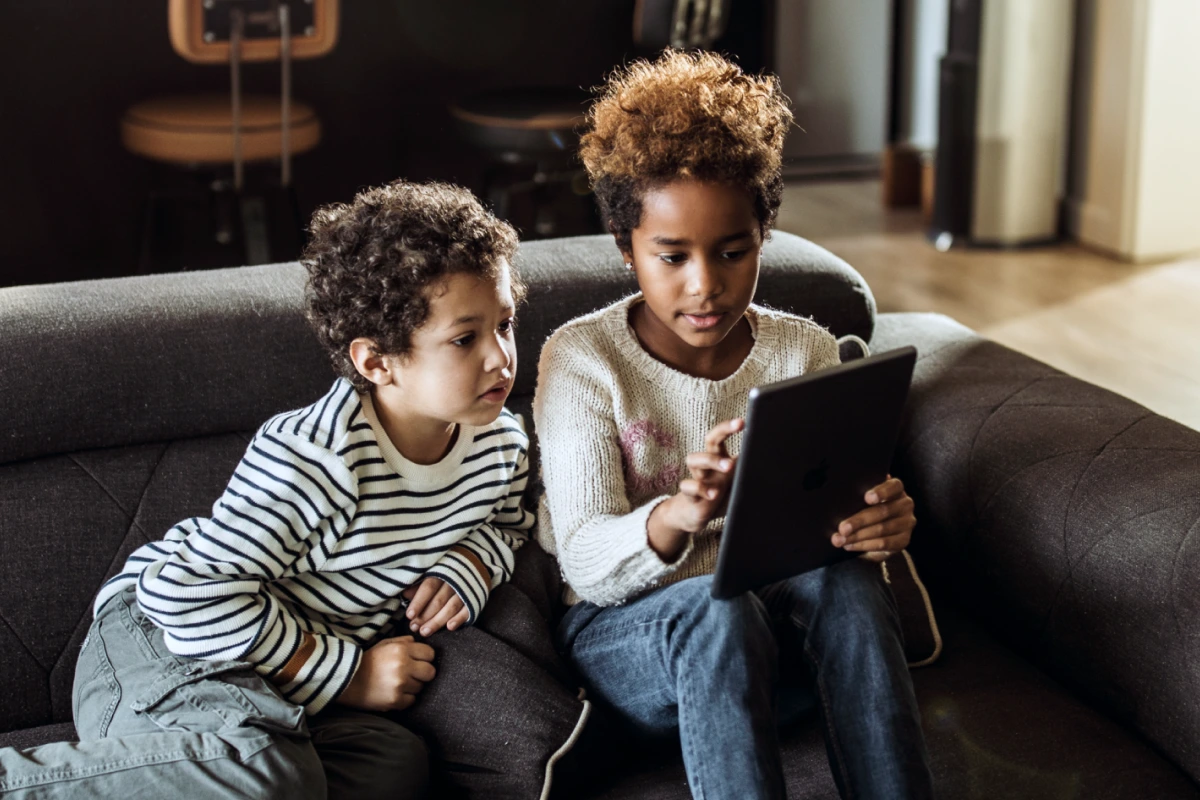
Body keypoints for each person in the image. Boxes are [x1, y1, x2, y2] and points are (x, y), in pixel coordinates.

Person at [0, 180, 535, 799]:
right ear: (377, 362)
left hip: (268, 691)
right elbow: (188, 597)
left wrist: (470, 564)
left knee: (395, 764)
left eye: (506, 323)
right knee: (266, 773)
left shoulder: (500, 445)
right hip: (165, 640)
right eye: (465, 338)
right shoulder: (316, 458)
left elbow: (506, 526)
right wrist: (350, 673)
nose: (501, 358)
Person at [534, 51, 934, 799]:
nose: (705, 285)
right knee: (715, 608)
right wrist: (680, 514)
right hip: (631, 645)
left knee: (843, 582)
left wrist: (875, 523)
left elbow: (826, 525)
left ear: (764, 234)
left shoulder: (803, 349)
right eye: (671, 256)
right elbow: (585, 564)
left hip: (775, 641)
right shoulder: (582, 360)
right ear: (627, 249)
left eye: (732, 251)